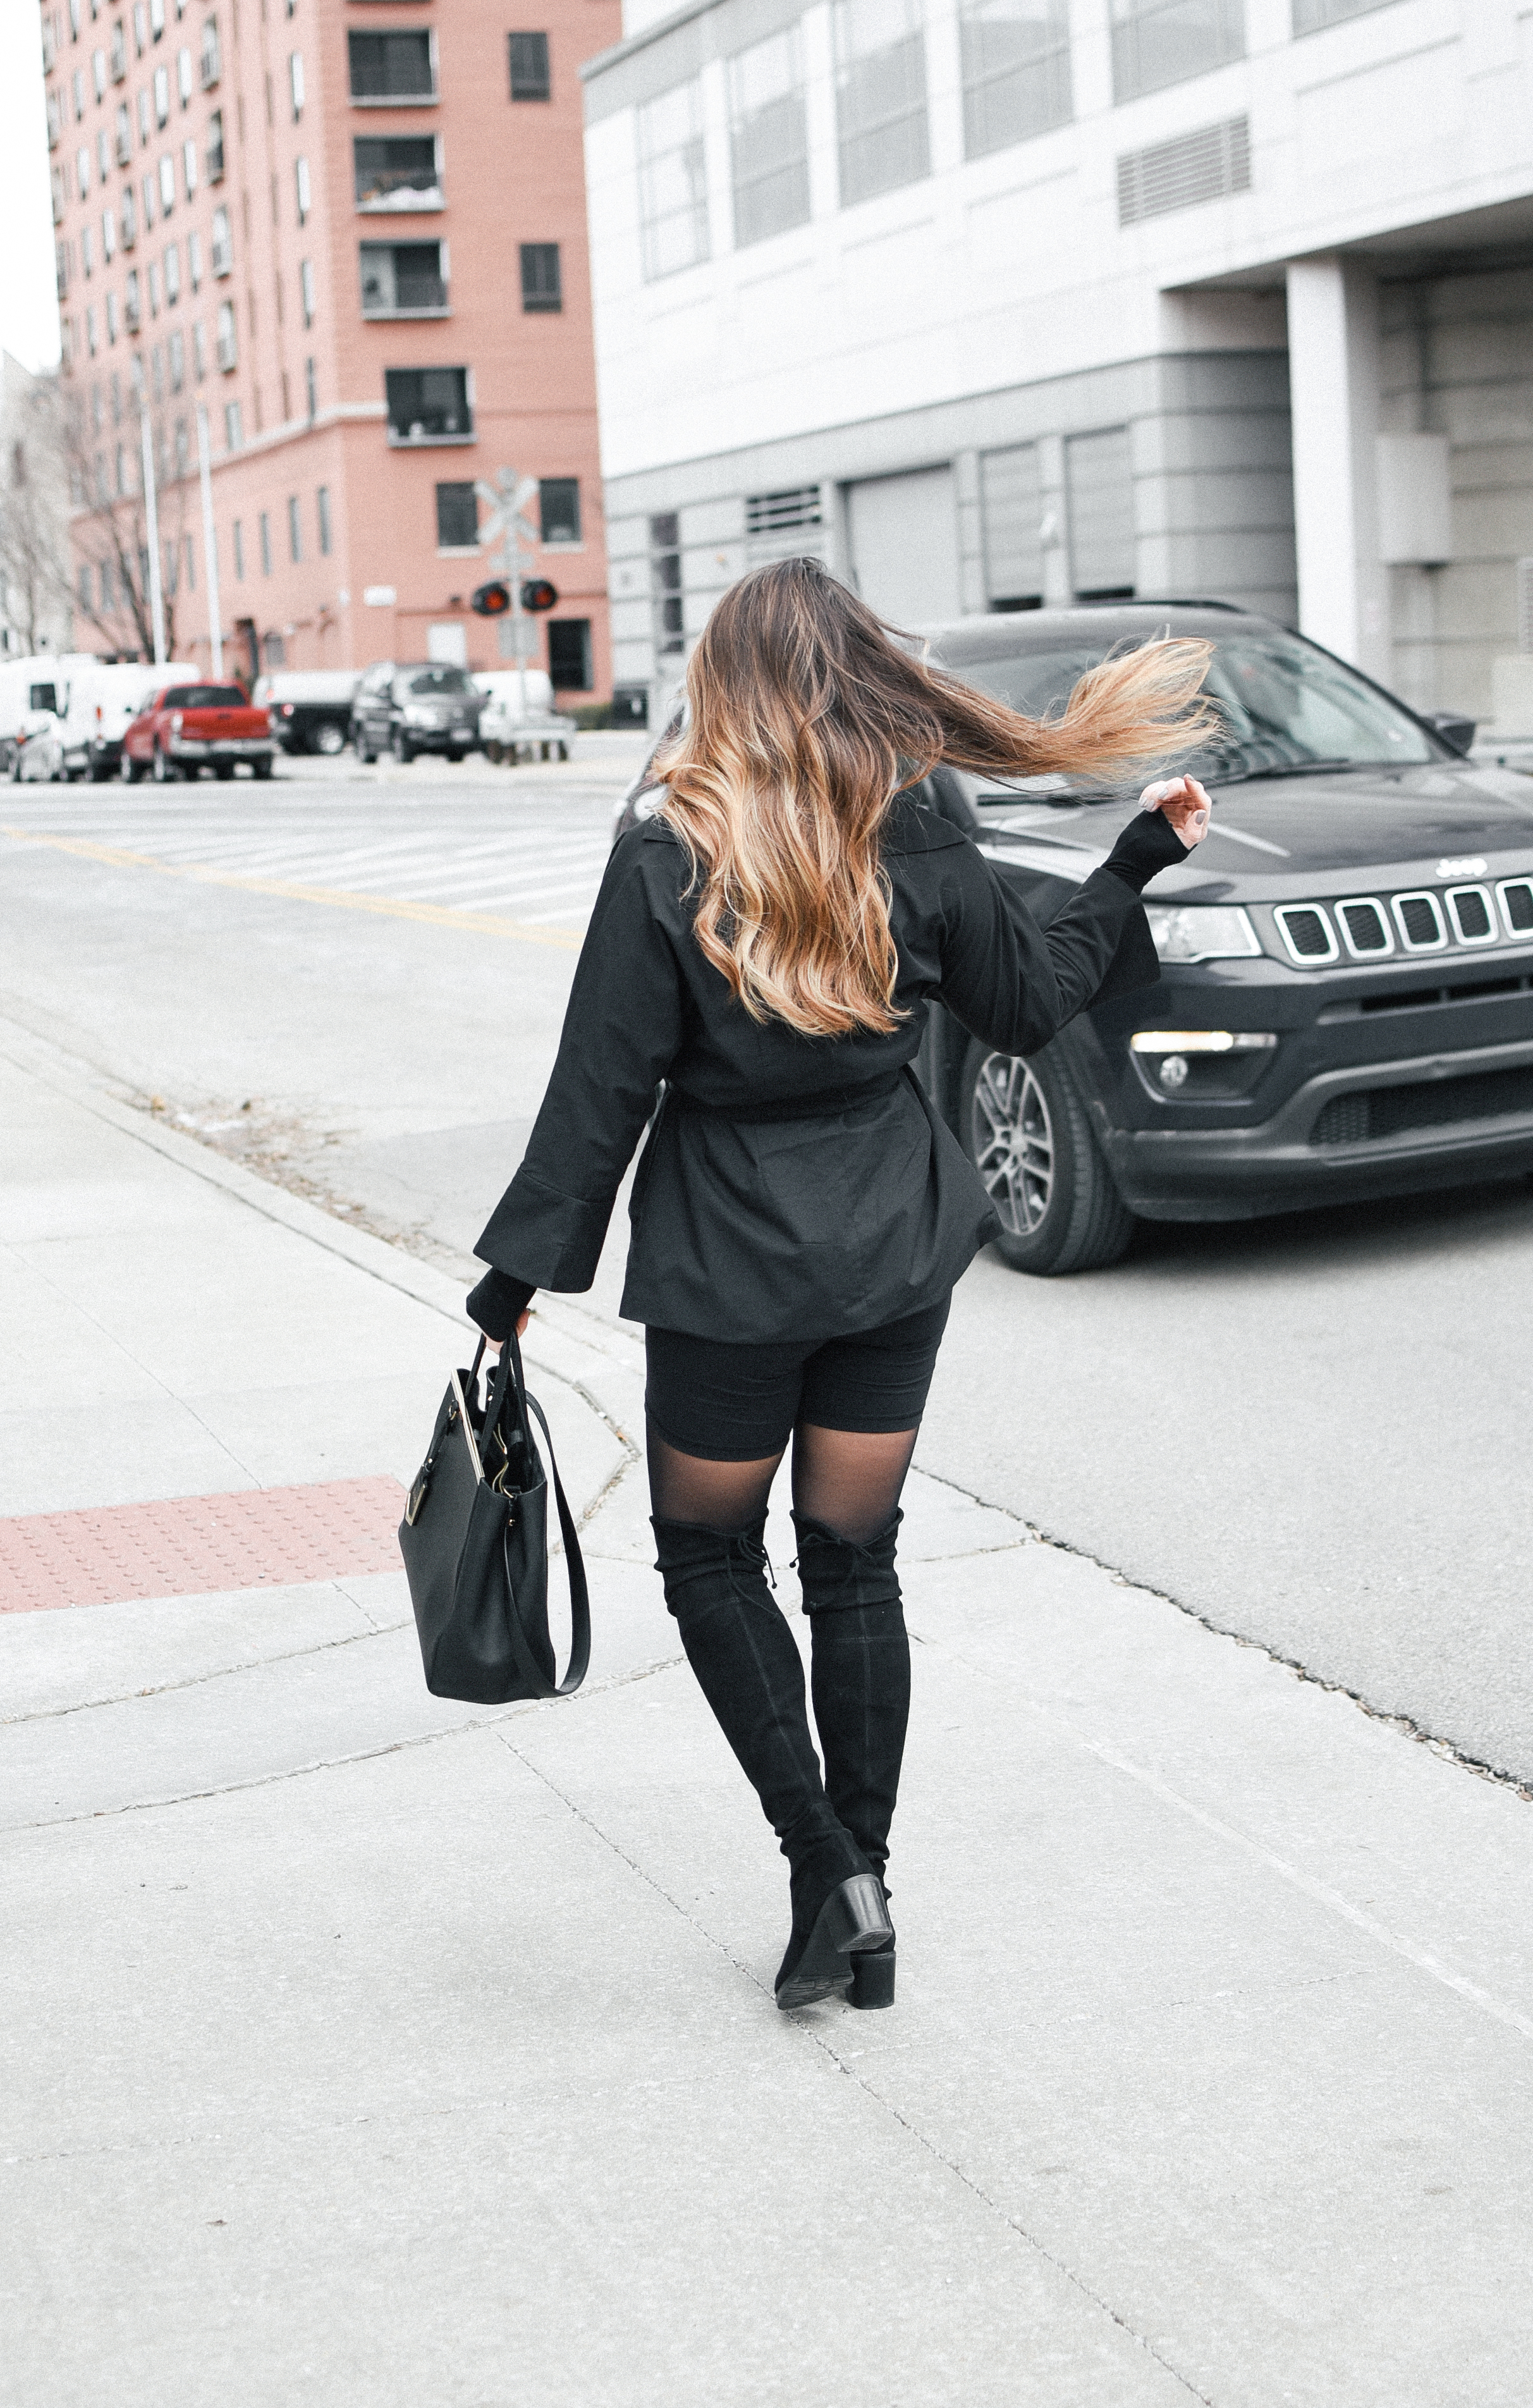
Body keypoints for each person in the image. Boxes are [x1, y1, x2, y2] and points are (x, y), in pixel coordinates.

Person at [466, 559, 1214, 2012]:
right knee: (854, 1561)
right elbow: (1025, 999)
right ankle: (863, 1874)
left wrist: (518, 1271)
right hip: (893, 1236)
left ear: (723, 683)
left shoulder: (666, 846)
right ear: (853, 672)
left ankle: (823, 1866)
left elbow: (601, 1086)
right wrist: (1130, 867)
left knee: (707, 1557)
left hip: (729, 1254)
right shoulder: (921, 816)